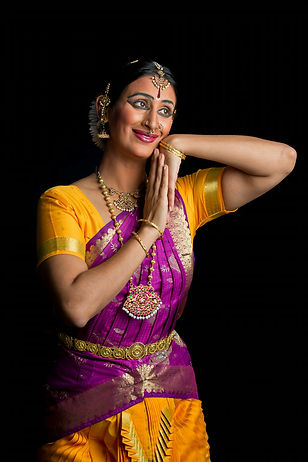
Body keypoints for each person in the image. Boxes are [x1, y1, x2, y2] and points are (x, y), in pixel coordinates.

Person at [36, 58, 296, 461]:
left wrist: (182, 145)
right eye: (140, 103)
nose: (152, 122)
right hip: (88, 407)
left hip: (172, 398)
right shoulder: (63, 202)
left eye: (165, 111)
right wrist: (151, 228)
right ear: (107, 108)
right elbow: (76, 305)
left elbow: (282, 160)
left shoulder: (185, 196)